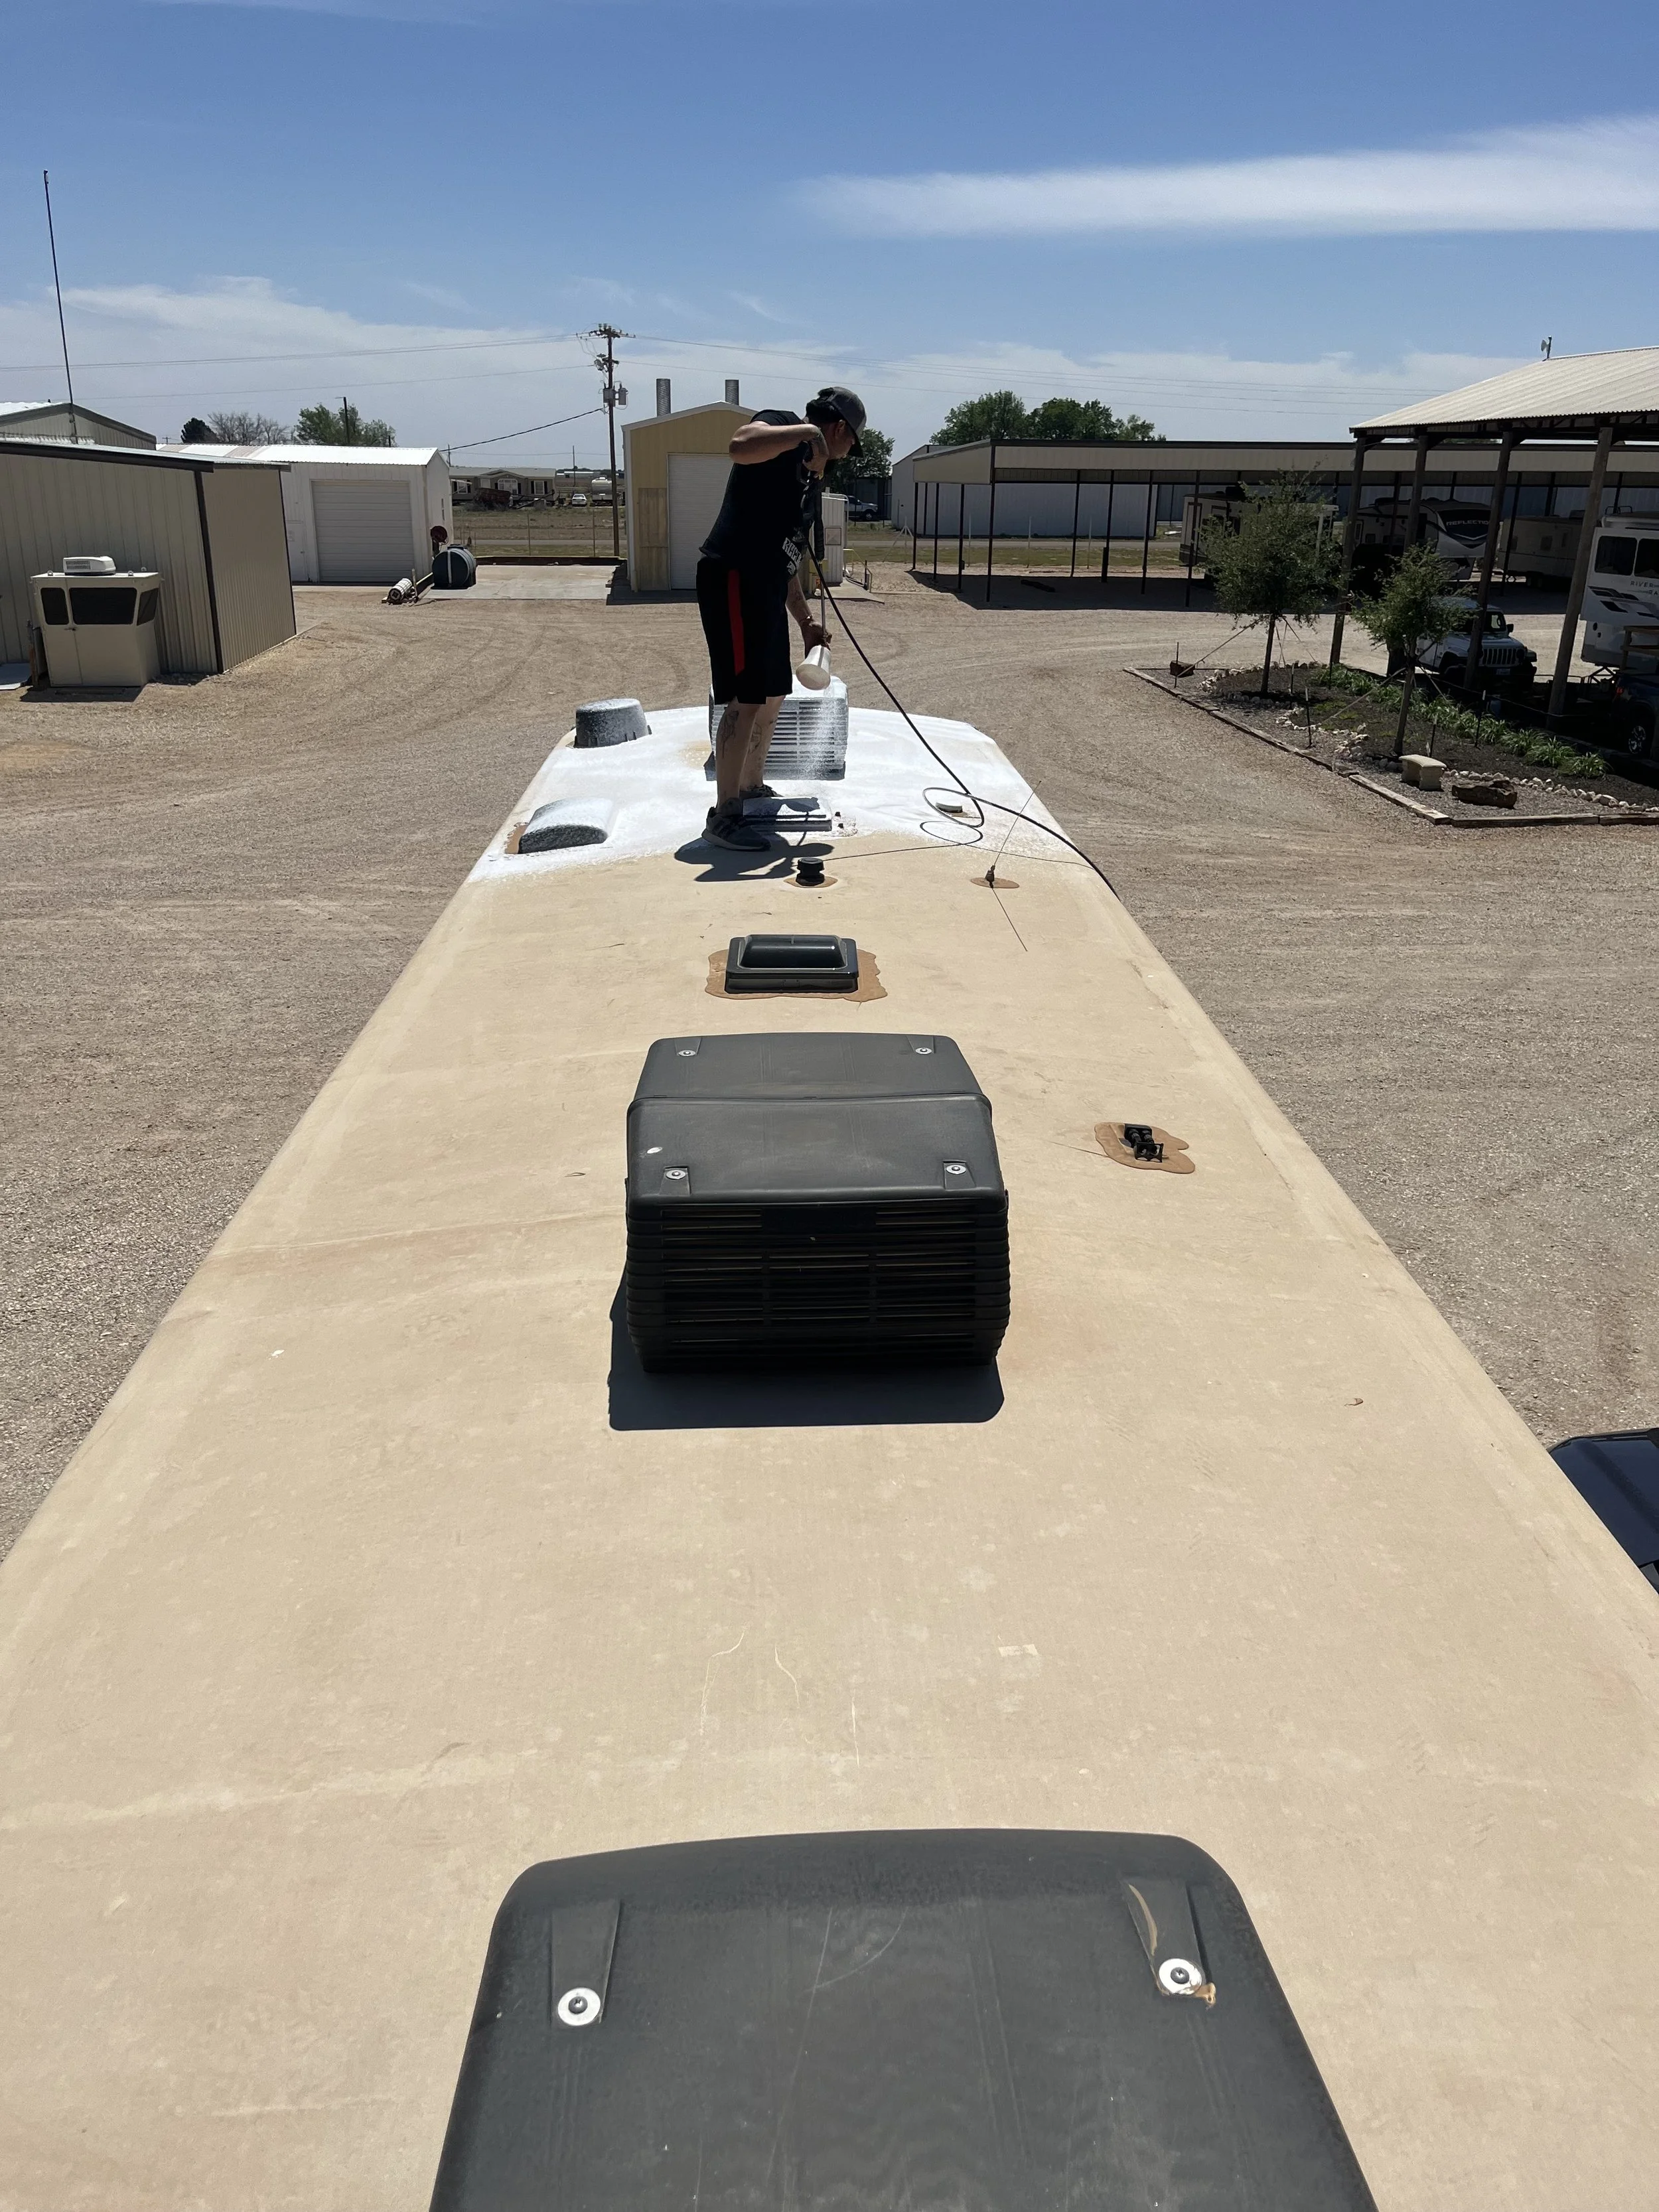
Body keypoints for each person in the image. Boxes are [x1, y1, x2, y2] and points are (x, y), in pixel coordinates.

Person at [695, 386, 866, 850]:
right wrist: (805, 434)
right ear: (837, 429)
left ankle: (750, 787)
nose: (849, 453)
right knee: (746, 696)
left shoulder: (808, 487)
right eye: (852, 442)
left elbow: (787, 563)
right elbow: (739, 446)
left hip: (766, 585)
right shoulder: (779, 426)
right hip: (732, 574)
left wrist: (807, 622)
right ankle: (725, 812)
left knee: (772, 695)